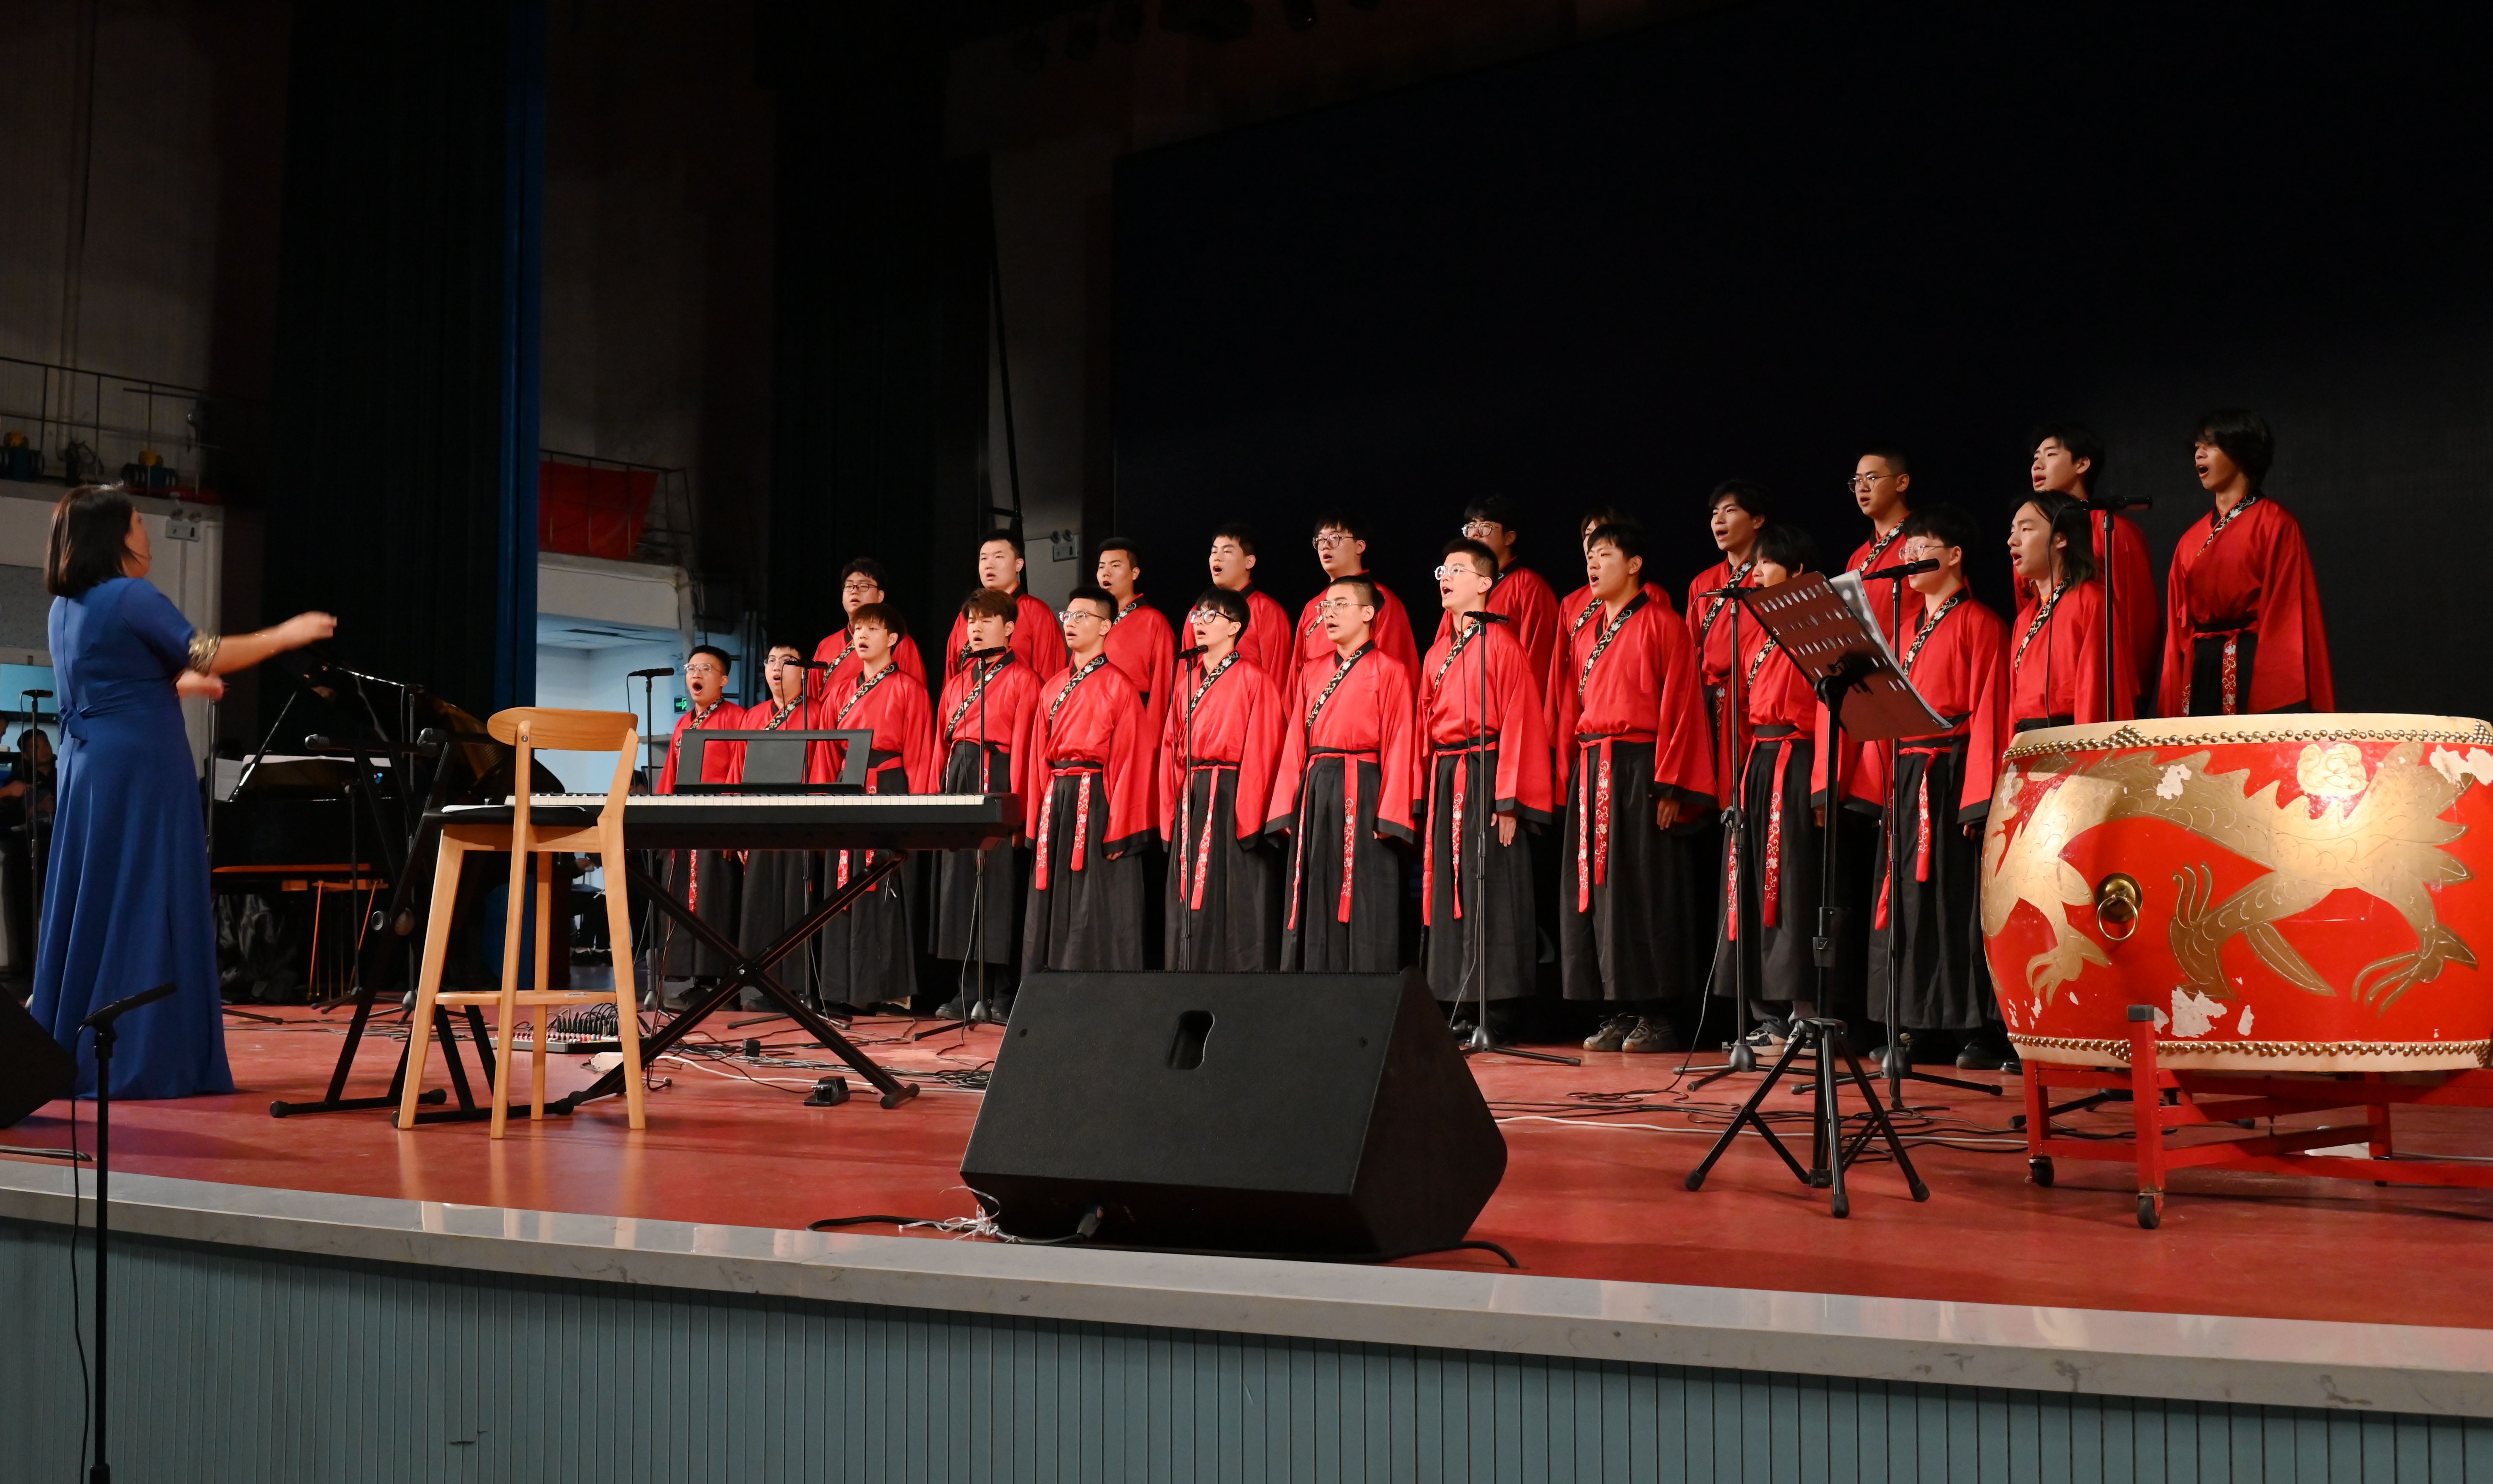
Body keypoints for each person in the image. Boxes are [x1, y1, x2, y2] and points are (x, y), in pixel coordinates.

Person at [30, 485, 334, 1097]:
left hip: (89, 770)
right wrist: (285, 634)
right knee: (148, 898)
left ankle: (75, 1043)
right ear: (115, 536)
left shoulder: (66, 608)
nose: (146, 533)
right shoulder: (130, 594)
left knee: (99, 900)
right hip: (140, 772)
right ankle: (147, 1055)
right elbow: (208, 652)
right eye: (139, 523)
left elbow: (109, 681)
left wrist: (178, 688)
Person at [1848, 505, 2014, 1070]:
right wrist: (1878, 785)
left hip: (1951, 773)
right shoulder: (1903, 629)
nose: (1910, 556)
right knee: (1907, 903)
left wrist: (1979, 798)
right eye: (1907, 547)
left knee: (1953, 901)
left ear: (1954, 555)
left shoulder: (1980, 623)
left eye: (1923, 546)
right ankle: (1916, 1022)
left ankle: (1973, 1027)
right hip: (1907, 774)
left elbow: (1991, 710)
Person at [1552, 523, 1716, 1053]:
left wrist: (1673, 783)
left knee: (1643, 887)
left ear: (1634, 563)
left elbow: (1683, 705)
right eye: (1589, 556)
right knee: (1598, 892)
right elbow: (1569, 707)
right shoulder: (1585, 630)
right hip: (1593, 765)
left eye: (1604, 555)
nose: (1592, 565)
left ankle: (1657, 1013)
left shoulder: (1663, 624)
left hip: (1641, 766)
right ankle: (1617, 1006)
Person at [1417, 540, 1553, 1028]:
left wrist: (1510, 799)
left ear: (1484, 583)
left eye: (1457, 570)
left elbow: (1521, 720)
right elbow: (1424, 723)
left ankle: (1493, 1003)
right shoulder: (1436, 652)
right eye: (1443, 570)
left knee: (1489, 880)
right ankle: (1455, 997)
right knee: (1450, 882)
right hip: (1447, 772)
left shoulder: (1502, 644)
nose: (1446, 578)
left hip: (1487, 768)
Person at [1709, 522, 1839, 1033]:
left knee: (1792, 881)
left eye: (1766, 562)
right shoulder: (1754, 629)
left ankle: (1803, 1007)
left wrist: (1823, 786)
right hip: (1759, 761)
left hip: (1798, 760)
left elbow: (1830, 711)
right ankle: (1762, 1013)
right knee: (1748, 878)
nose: (1757, 572)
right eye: (1756, 563)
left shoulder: (1818, 625)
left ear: (1798, 570)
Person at [1269, 575, 1420, 972]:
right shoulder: (1311, 671)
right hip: (1318, 784)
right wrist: (1287, 804)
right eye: (1325, 607)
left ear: (1368, 613)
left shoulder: (1390, 670)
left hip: (1365, 785)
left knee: (1365, 889)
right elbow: (1295, 741)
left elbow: (1400, 741)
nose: (1329, 614)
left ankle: (1366, 985)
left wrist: (1391, 813)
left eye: (1340, 605)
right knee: (1315, 883)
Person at [2159, 408, 2334, 717]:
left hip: (2251, 662)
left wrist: (2276, 695)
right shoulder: (2190, 539)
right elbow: (2178, 629)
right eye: (2197, 447)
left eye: (2211, 445)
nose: (2199, 454)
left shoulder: (2275, 524)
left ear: (2242, 451)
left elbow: (2286, 615)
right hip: (2200, 664)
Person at [813, 605, 938, 1014]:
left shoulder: (909, 689)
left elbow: (920, 754)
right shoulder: (838, 692)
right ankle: (841, 989)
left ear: (893, 639)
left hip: (889, 787)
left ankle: (888, 990)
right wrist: (823, 805)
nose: (862, 635)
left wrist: (919, 812)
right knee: (844, 887)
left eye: (872, 628)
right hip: (847, 791)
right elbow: (826, 756)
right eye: (858, 629)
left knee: (886, 886)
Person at [1023, 586, 1153, 973]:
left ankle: (1097, 991)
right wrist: (1036, 819)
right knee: (1052, 896)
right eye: (1068, 616)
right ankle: (1047, 990)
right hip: (1057, 798)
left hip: (1097, 799)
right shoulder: (1052, 687)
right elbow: (1038, 758)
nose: (1071, 623)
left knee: (1095, 898)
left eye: (1083, 616)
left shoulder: (1119, 685)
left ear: (1105, 626)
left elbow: (1131, 759)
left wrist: (1122, 828)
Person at [1160, 587, 1287, 970]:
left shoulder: (1254, 678)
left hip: (1233, 793)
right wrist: (1171, 808)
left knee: (1232, 889)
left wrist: (1248, 817)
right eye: (1197, 615)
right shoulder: (1186, 681)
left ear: (1234, 627)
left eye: (1211, 616)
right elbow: (1171, 749)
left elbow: (1264, 748)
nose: (1200, 622)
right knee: (1187, 890)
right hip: (1194, 792)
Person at [928, 589, 1041, 1011]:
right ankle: (967, 988)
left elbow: (1026, 748)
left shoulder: (1024, 679)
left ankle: (1001, 990)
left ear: (1009, 628)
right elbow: (941, 746)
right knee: (960, 882)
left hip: (998, 774)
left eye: (986, 620)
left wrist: (1020, 812)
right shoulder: (958, 682)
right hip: (960, 774)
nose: (975, 628)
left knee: (997, 882)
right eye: (971, 621)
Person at [2032, 422, 2158, 716]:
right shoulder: (2036, 540)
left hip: (2104, 681)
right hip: (2046, 688)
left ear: (2082, 464)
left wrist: (2135, 691)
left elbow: (2139, 617)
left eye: (2050, 454)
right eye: (2035, 458)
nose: (2037, 464)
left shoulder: (2114, 532)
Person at [734, 643, 820, 1006]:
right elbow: (738, 771)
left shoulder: (817, 712)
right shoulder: (754, 716)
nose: (776, 669)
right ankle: (761, 984)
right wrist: (737, 824)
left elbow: (825, 764)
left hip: (800, 816)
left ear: (803, 671)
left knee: (797, 900)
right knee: (760, 901)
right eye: (770, 661)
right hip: (760, 816)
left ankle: (799, 986)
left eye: (786, 662)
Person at [658, 644, 746, 995]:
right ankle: (688, 977)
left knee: (715, 898)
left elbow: (740, 773)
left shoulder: (737, 718)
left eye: (706, 669)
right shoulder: (683, 723)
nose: (696, 674)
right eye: (692, 668)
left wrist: (732, 826)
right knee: (681, 898)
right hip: (685, 821)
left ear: (724, 680)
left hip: (717, 820)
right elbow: (670, 775)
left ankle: (715, 979)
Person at [2008, 492, 2133, 733]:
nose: (2012, 541)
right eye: (2013, 531)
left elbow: (2096, 692)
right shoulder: (2025, 619)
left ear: (2061, 540)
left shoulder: (2092, 602)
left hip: (2070, 737)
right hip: (2027, 740)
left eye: (2026, 529)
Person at [1687, 481, 1769, 810]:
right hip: (1711, 701)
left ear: (1757, 520)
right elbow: (1691, 651)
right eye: (1715, 513)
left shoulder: (1768, 575)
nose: (1718, 520)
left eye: (1730, 511)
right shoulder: (1703, 583)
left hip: (1752, 700)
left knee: (1747, 796)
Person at [1428, 496, 1561, 683]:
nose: (1475, 534)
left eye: (1485, 527)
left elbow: (1539, 655)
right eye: (1470, 527)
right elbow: (1443, 649)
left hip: (1504, 687)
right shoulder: (1460, 586)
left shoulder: (1528, 585)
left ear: (1509, 537)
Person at [1095, 536, 1176, 811]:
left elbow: (1163, 688)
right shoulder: (1094, 623)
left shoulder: (1154, 622)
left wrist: (1150, 743)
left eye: (1115, 566)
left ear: (1135, 573)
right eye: (1101, 567)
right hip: (1096, 726)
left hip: (1134, 723)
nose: (1105, 573)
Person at [1293, 513, 1420, 681]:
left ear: (1360, 546)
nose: (1325, 546)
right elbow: (1296, 677)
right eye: (1320, 541)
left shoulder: (1380, 599)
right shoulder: (1312, 607)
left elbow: (1396, 671)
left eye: (1334, 538)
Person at [944, 531, 1069, 679]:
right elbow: (952, 676)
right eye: (984, 558)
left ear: (1018, 565)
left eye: (999, 557)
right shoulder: (967, 616)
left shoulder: (1036, 612)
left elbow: (1050, 674)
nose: (989, 565)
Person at [809, 558, 928, 704]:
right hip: (831, 719)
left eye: (863, 586)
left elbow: (916, 696)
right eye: (849, 586)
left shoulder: (898, 642)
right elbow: (812, 703)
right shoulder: (826, 646)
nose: (855, 591)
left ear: (880, 596)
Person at [1207, 522, 1295, 683]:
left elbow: (1278, 678)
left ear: (1249, 562)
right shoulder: (1200, 614)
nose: (1217, 558)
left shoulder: (1267, 611)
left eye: (1227, 551)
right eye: (1214, 552)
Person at [1847, 448, 1917, 633]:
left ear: (1902, 483)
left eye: (1872, 478)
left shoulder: (1924, 543)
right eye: (1857, 480)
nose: (1862, 487)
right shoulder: (1857, 558)